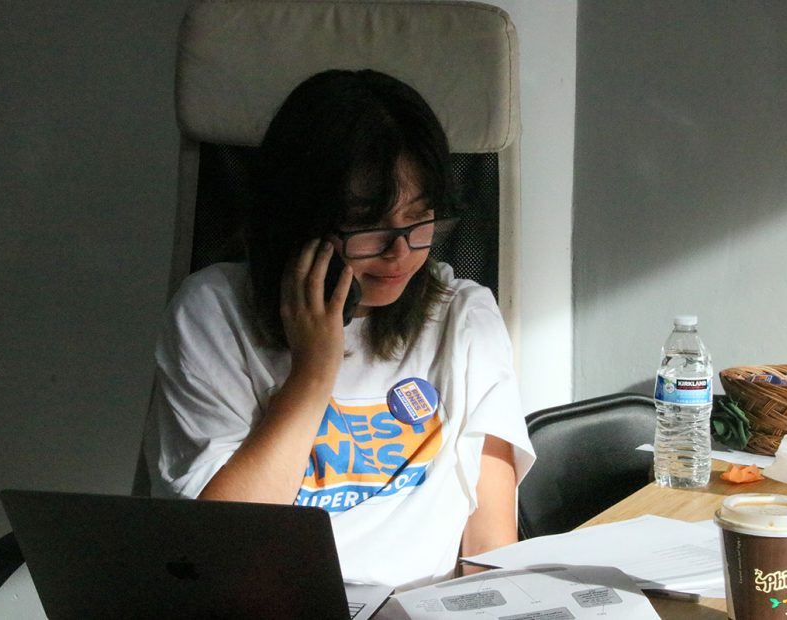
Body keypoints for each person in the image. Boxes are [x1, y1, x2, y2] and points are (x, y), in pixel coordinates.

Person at [143, 69, 534, 590]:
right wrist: (312, 373)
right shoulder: (212, 315)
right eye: (369, 222)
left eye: (420, 220)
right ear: (299, 220)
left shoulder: (464, 319)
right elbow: (220, 552)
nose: (401, 251)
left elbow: (491, 550)